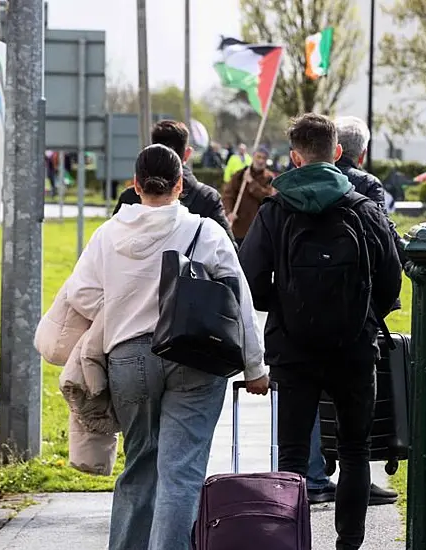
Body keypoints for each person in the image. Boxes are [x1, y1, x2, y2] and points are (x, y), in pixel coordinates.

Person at [66, 144, 270, 550]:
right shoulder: (204, 231)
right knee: (181, 472)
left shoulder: (108, 234)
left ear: (135, 185)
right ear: (180, 185)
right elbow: (239, 301)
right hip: (195, 356)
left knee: (139, 465)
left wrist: (122, 303)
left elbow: (82, 293)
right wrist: (254, 367)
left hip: (129, 358)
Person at [238, 114, 402, 550]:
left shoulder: (275, 211)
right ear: (336, 153)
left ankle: (293, 542)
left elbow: (251, 282)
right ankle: (349, 544)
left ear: (294, 157)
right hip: (353, 349)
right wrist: (364, 316)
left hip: (293, 350)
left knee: (292, 456)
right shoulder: (364, 209)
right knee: (354, 451)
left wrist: (288, 304)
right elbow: (391, 280)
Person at [304, 116, 406, 506]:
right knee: (354, 396)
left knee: (310, 395)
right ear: (358, 153)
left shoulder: (299, 185)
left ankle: (312, 475)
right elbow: (386, 243)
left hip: (307, 310)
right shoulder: (366, 186)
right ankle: (354, 480)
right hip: (355, 311)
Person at [113, 120, 234, 245]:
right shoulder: (207, 198)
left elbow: (112, 244)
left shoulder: (129, 198)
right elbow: (227, 252)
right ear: (187, 154)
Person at [221, 147, 276, 247]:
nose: (260, 161)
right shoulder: (240, 175)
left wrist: (251, 183)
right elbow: (228, 195)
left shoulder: (269, 178)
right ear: (253, 157)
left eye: (264, 158)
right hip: (239, 226)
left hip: (258, 227)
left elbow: (268, 197)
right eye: (258, 157)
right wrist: (229, 212)